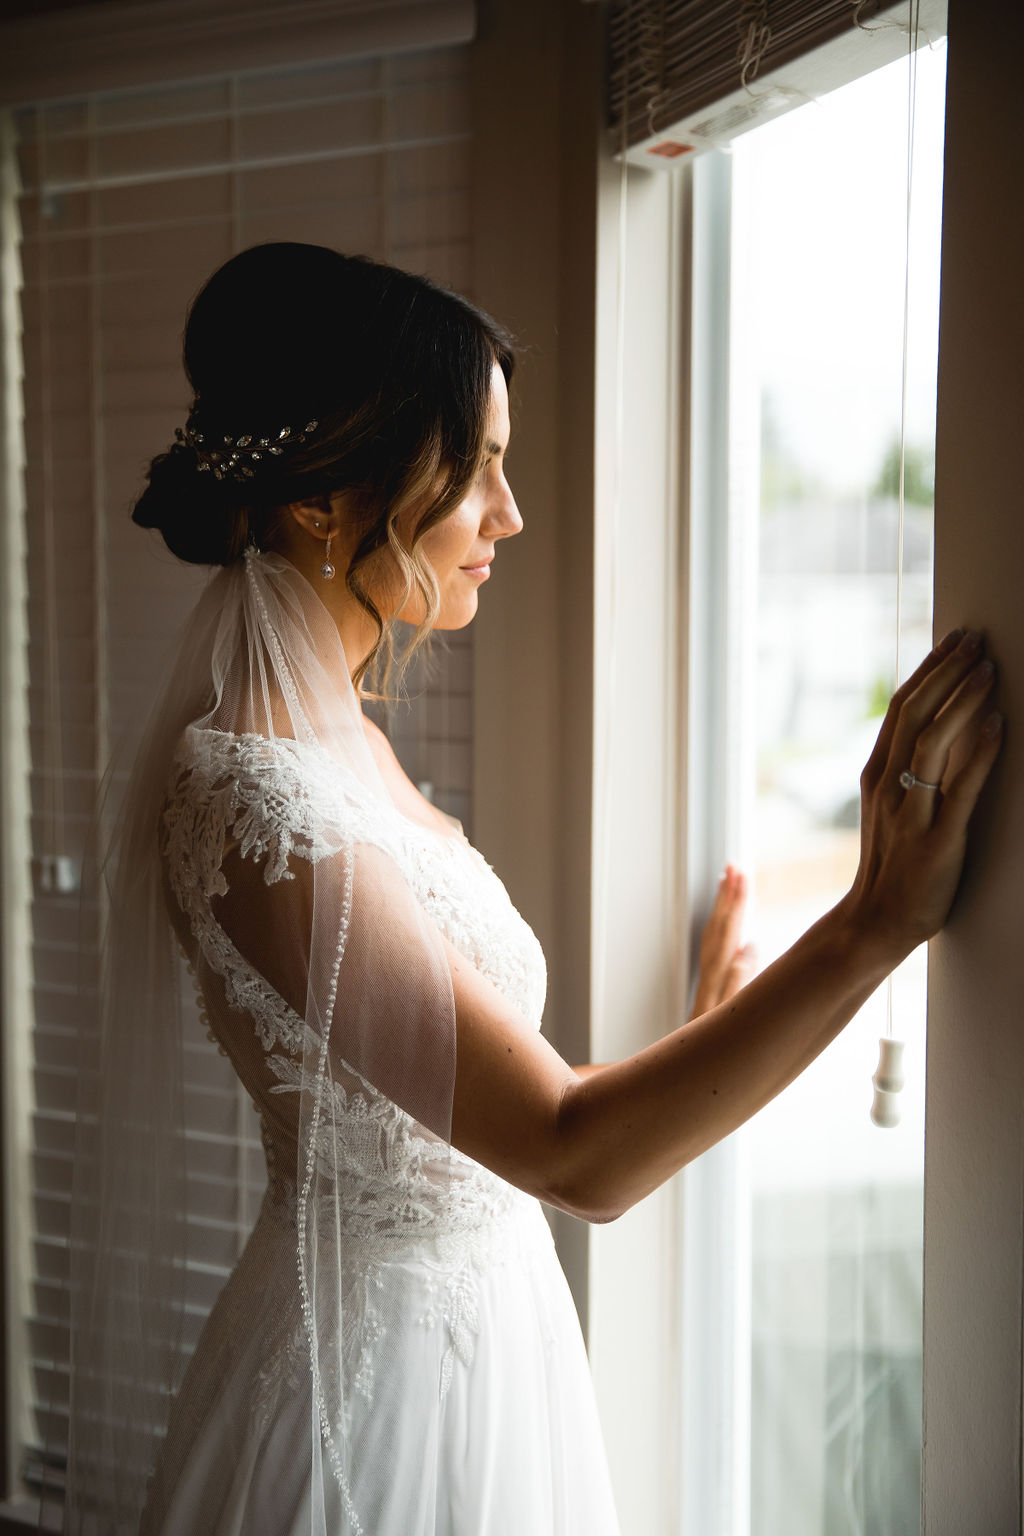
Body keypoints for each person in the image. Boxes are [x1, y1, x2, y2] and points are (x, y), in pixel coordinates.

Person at [64, 242, 1002, 1536]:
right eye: (479, 466)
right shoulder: (250, 800)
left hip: (493, 1343)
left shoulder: (348, 746)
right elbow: (573, 1150)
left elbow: (471, 1106)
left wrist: (695, 1032)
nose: (509, 514)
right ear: (328, 501)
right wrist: (874, 922)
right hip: (375, 1409)